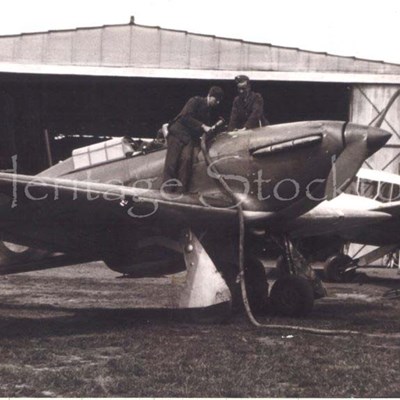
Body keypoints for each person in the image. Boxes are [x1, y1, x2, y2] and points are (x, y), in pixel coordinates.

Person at [162, 86, 224, 193]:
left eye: (219, 101)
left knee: (186, 162)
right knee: (171, 164)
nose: (217, 103)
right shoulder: (195, 101)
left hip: (189, 139)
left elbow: (202, 130)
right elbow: (185, 116)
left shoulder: (208, 113)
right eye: (216, 99)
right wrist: (203, 126)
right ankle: (167, 191)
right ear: (210, 96)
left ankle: (180, 193)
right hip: (177, 134)